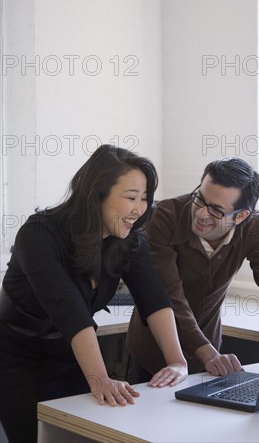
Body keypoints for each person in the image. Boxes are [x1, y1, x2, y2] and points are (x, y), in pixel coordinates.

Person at [0, 145, 187, 443]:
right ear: (97, 193)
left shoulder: (128, 241)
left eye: (144, 199)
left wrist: (177, 361)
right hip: (18, 358)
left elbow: (155, 299)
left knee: (83, 434)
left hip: (71, 354)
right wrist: (100, 380)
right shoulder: (38, 235)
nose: (139, 210)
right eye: (130, 198)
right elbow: (70, 311)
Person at [127, 158, 259, 387]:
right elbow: (169, 294)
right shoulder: (164, 217)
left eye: (216, 210)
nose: (202, 213)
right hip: (155, 351)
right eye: (200, 199)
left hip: (209, 353)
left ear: (241, 216)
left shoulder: (255, 228)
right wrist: (206, 352)